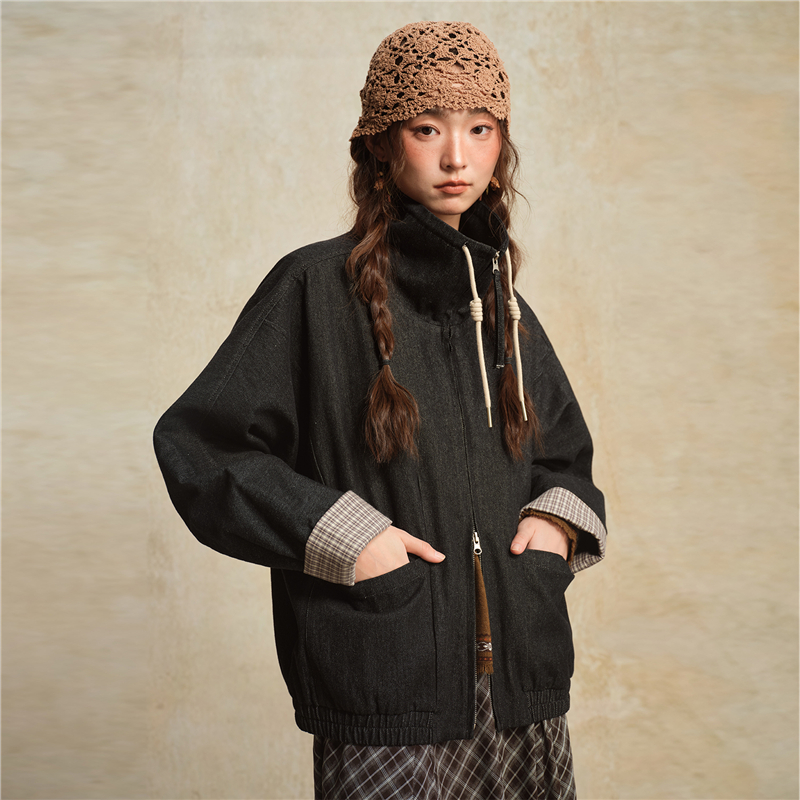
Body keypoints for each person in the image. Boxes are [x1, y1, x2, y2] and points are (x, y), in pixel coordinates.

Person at [154, 20, 606, 800]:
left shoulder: (504, 308)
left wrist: (555, 528)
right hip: (387, 684)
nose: (457, 156)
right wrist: (348, 538)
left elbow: (565, 457)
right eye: (427, 128)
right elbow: (202, 448)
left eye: (480, 128)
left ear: (502, 144)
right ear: (382, 145)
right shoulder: (311, 290)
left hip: (523, 692)